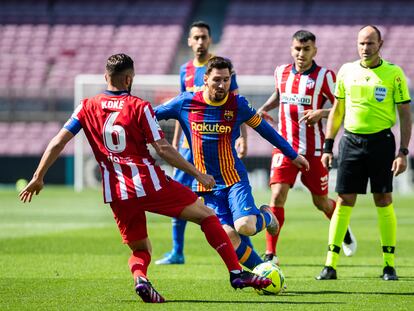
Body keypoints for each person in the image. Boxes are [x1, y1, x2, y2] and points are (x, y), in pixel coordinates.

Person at [18, 53, 273, 303]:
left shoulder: (86, 106)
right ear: (129, 79)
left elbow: (58, 142)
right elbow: (163, 149)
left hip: (116, 192)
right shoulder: (139, 106)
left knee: (141, 249)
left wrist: (38, 176)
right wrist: (197, 174)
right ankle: (236, 273)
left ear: (106, 76)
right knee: (206, 215)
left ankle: (140, 279)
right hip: (149, 183)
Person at [155, 56, 310, 271]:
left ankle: (266, 215)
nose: (222, 85)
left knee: (244, 226)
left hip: (234, 179)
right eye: (217, 80)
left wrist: (292, 155)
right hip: (206, 186)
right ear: (206, 79)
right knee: (228, 236)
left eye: (226, 80)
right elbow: (150, 115)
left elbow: (266, 131)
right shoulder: (185, 102)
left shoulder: (238, 105)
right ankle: (263, 273)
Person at [316, 25, 412, 281]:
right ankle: (330, 264)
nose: (365, 48)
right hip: (351, 142)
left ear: (380, 44)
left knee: (383, 199)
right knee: (345, 200)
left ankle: (389, 265)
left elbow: (405, 114)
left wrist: (403, 152)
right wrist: (328, 145)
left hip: (382, 143)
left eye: (370, 43)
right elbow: (337, 110)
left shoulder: (394, 73)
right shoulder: (347, 71)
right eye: (361, 43)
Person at [257, 30, 357, 264]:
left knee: (320, 202)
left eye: (306, 49)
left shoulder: (325, 76)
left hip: (314, 151)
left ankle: (343, 228)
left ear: (315, 50)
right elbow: (280, 94)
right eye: (297, 49)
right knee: (277, 195)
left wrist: (321, 113)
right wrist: (264, 108)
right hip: (284, 147)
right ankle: (271, 254)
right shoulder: (280, 71)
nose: (301, 54)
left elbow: (343, 107)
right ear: (292, 49)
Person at [155, 21, 248, 265]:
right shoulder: (184, 69)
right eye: (195, 37)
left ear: (210, 40)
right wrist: (175, 144)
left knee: (226, 205)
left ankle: (244, 247)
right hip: (187, 148)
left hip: (215, 146)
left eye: (204, 37)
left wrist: (242, 139)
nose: (199, 42)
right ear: (189, 40)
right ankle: (177, 251)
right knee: (178, 195)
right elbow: (180, 109)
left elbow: (237, 105)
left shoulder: (220, 68)